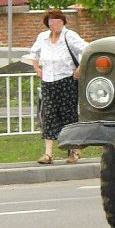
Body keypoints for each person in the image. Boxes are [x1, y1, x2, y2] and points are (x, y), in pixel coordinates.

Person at [29, 9, 88, 165]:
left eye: (57, 21)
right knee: (48, 115)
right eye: (51, 21)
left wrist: (80, 69)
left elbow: (87, 50)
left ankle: (73, 151)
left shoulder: (70, 36)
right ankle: (48, 154)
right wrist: (37, 69)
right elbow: (33, 53)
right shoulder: (43, 37)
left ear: (63, 22)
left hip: (66, 80)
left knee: (68, 115)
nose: (54, 24)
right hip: (48, 81)